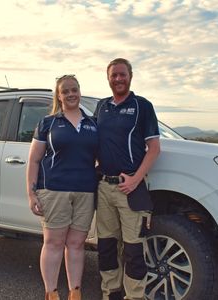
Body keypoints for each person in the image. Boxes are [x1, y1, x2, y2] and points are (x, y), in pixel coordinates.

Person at [26, 75, 99, 300]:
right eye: (65, 91)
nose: (70, 94)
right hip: (54, 190)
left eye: (74, 89)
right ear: (59, 95)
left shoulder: (92, 123)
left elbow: (101, 157)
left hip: (85, 191)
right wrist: (31, 193)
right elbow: (34, 160)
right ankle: (51, 293)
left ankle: (75, 293)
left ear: (79, 91)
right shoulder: (48, 123)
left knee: (77, 244)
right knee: (54, 243)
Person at [94, 58, 161, 300]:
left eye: (122, 74)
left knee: (133, 250)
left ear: (130, 76)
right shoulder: (102, 106)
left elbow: (154, 148)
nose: (118, 79)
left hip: (130, 189)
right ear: (108, 78)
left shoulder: (142, 106)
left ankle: (134, 296)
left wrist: (135, 180)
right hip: (103, 188)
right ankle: (110, 293)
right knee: (107, 247)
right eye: (114, 75)